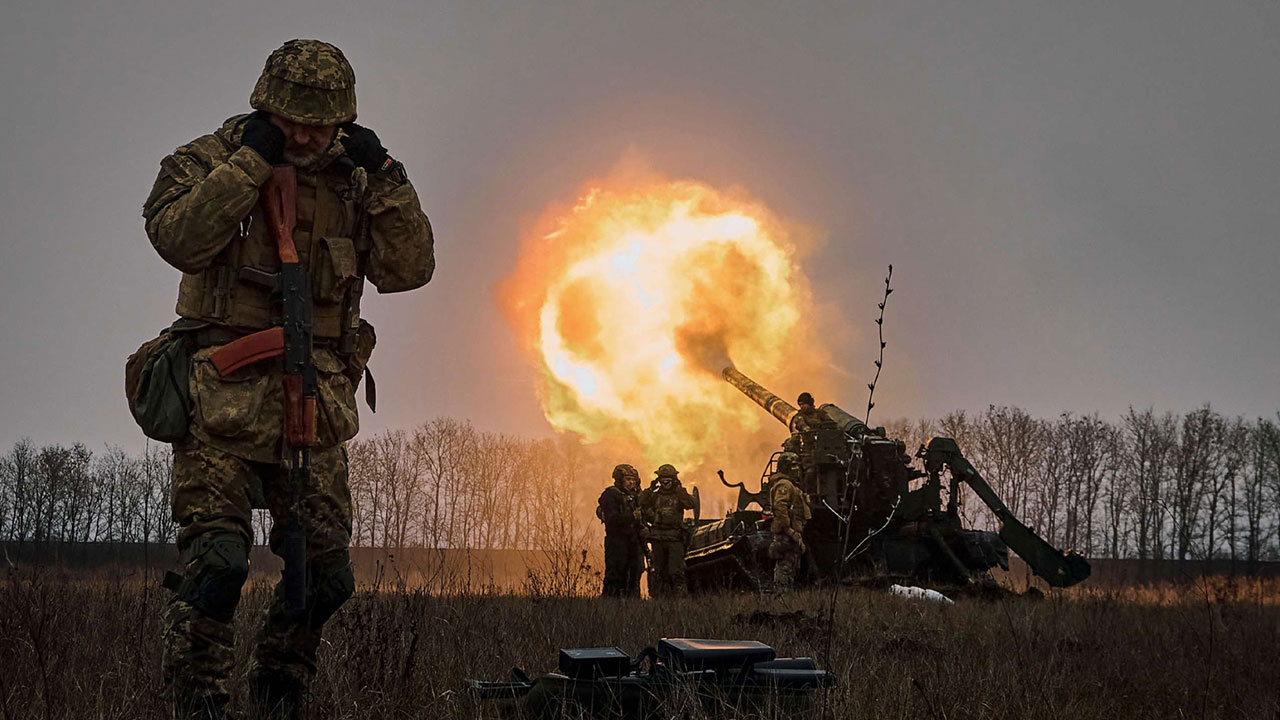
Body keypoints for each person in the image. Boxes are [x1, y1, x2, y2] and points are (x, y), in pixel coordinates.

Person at [142, 39, 434, 719]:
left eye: (322, 123)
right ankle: (198, 700)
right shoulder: (212, 159)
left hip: (315, 401)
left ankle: (278, 686)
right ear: (267, 108)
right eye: (295, 120)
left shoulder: (357, 179)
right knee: (216, 565)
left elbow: (409, 268)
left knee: (325, 578)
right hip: (221, 403)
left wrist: (388, 174)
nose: (307, 134)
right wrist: (250, 163)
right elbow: (177, 237)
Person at [641, 464, 698, 597]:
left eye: (668, 479)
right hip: (658, 538)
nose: (665, 482)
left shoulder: (679, 495)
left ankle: (680, 601)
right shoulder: (654, 496)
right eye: (663, 479)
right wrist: (650, 489)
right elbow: (640, 502)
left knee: (676, 572)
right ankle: (661, 600)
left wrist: (680, 490)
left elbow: (692, 504)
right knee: (660, 573)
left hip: (675, 539)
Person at [597, 464, 646, 598]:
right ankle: (611, 603)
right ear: (620, 480)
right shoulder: (611, 495)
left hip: (633, 541)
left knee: (635, 574)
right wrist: (631, 517)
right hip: (617, 541)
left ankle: (632, 604)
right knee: (616, 574)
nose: (631, 483)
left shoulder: (635, 496)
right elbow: (612, 519)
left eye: (633, 480)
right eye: (628, 479)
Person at [768, 452, 812, 590]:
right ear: (786, 467)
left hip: (792, 533)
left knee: (791, 565)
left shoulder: (790, 485)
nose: (797, 469)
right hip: (787, 535)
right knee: (785, 566)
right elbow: (780, 507)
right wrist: (790, 530)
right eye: (794, 466)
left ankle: (785, 598)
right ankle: (781, 598)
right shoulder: (784, 485)